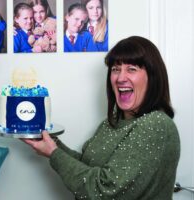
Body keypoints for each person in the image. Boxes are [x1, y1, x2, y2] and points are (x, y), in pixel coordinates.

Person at [23, 36, 180, 199]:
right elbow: (87, 166)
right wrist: (52, 143)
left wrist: (54, 153)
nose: (120, 78)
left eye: (132, 69)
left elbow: (104, 190)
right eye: (115, 69)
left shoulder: (156, 125)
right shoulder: (112, 121)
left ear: (152, 77)